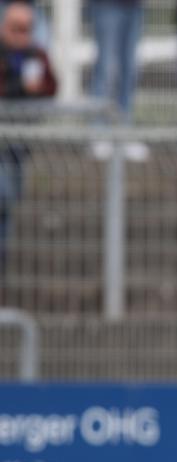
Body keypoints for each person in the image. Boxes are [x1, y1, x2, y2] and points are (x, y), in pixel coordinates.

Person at [0, 1, 55, 276]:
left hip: (19, 142)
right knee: (3, 197)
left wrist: (37, 85)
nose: (23, 35)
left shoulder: (36, 54)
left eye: (27, 29)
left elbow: (52, 85)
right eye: (17, 29)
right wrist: (19, 84)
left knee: (9, 201)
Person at [90, 0, 143, 122]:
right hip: (106, 5)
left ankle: (124, 130)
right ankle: (99, 130)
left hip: (134, 6)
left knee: (130, 71)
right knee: (106, 71)